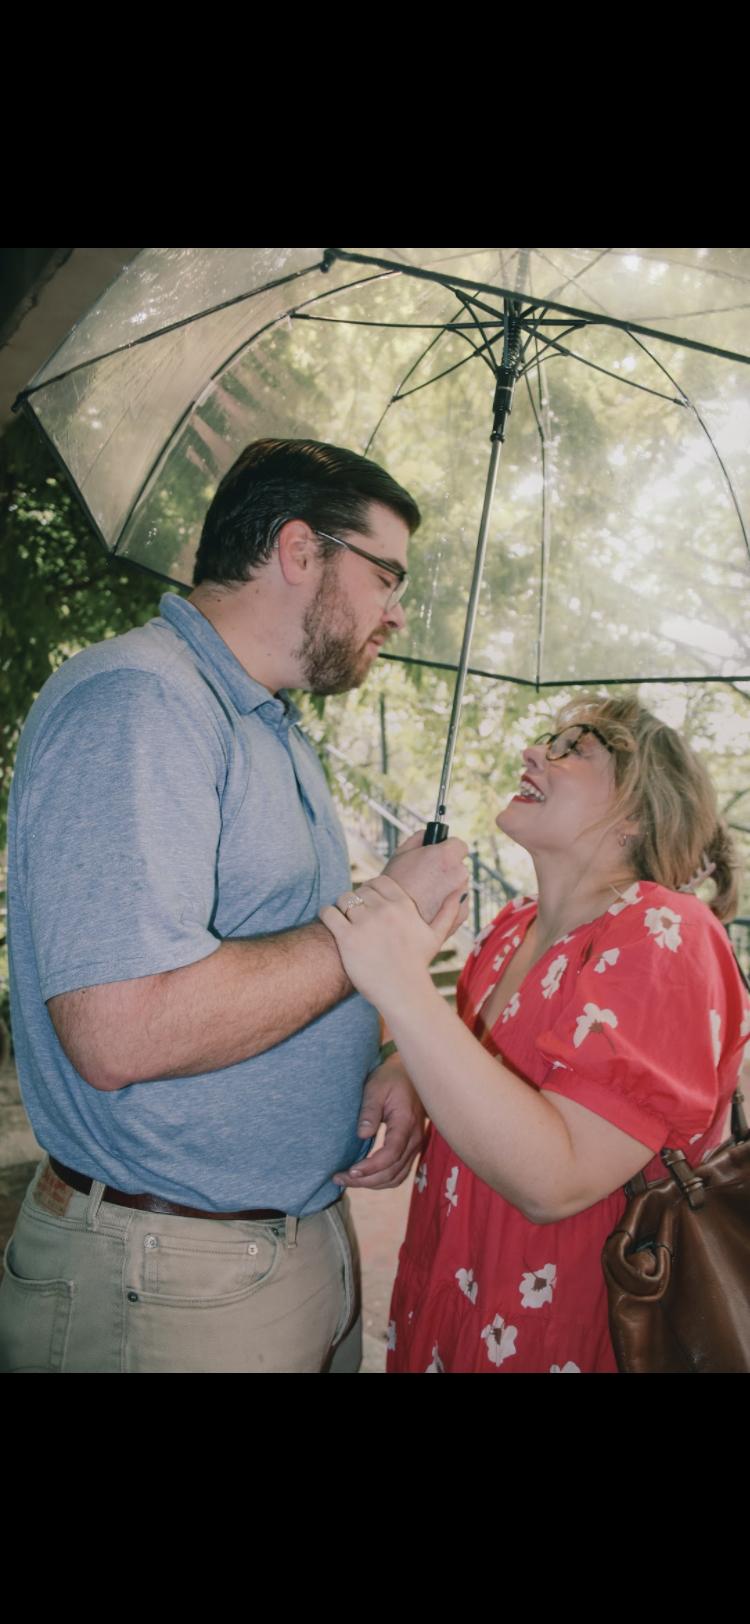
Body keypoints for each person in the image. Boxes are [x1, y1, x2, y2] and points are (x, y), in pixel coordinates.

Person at [0, 438, 468, 1374]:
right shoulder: (140, 702)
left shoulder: (266, 723)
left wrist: (381, 1058)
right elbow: (119, 1031)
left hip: (286, 1247)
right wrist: (383, 917)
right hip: (169, 1279)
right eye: (386, 575)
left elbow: (273, 956)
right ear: (301, 551)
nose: (397, 610)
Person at [323, 696, 749, 1374]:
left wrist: (401, 983)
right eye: (547, 740)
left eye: (575, 748)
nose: (533, 753)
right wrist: (407, 1064)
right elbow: (475, 1067)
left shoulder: (666, 933)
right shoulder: (507, 932)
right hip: (450, 1304)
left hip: (567, 1333)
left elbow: (556, 1179)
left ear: (638, 811)